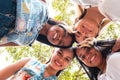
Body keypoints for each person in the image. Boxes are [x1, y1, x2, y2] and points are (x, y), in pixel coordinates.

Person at [0, 0, 74, 48]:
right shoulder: (44, 6)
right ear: (61, 25)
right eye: (64, 34)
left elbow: (2, 43)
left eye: (60, 42)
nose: (60, 38)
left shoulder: (27, 41)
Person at [0, 47, 75, 80]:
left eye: (67, 59)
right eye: (59, 53)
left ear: (68, 65)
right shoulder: (29, 61)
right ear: (53, 51)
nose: (61, 59)